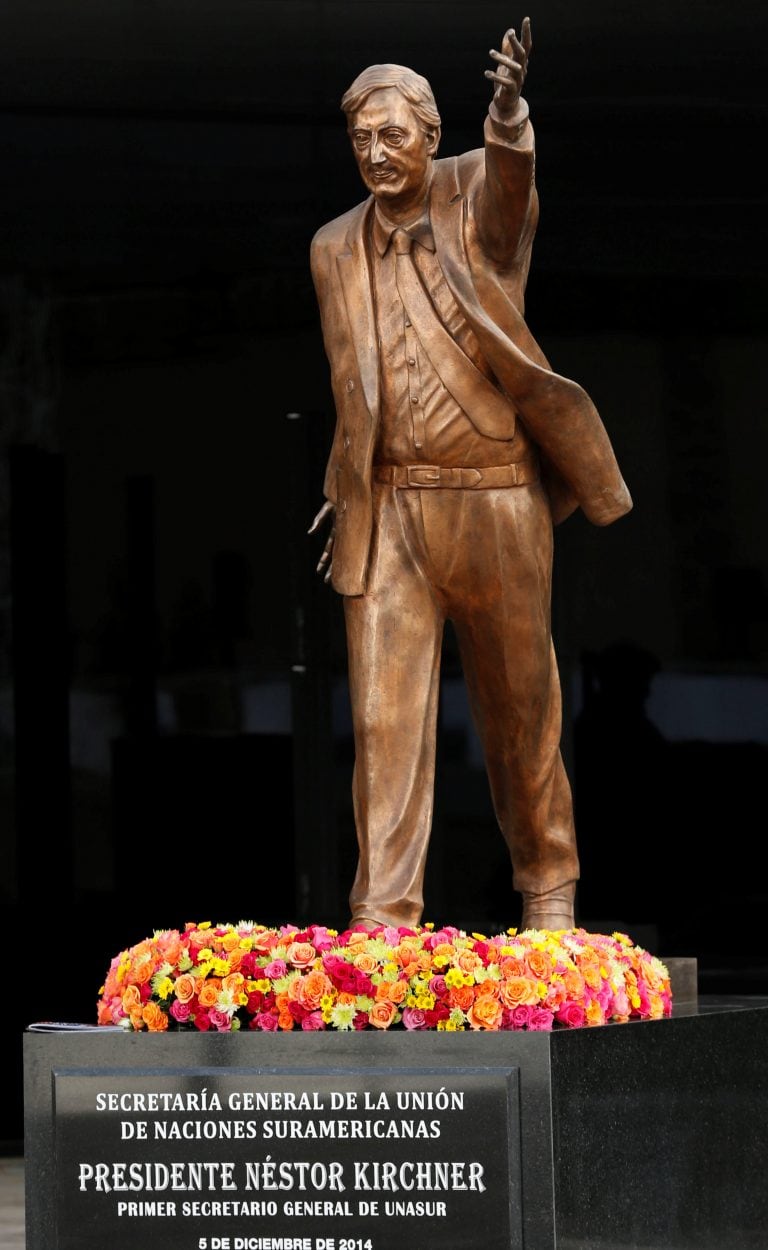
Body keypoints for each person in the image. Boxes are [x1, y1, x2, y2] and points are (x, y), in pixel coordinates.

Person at [309, 18, 632, 932]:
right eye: (362, 140)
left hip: (493, 496)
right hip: (391, 509)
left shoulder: (472, 197)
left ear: (432, 136)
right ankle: (382, 917)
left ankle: (548, 890)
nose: (377, 154)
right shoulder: (331, 247)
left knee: (521, 708)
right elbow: (352, 381)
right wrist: (344, 487)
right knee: (382, 724)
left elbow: (510, 189)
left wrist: (508, 114)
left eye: (394, 136)